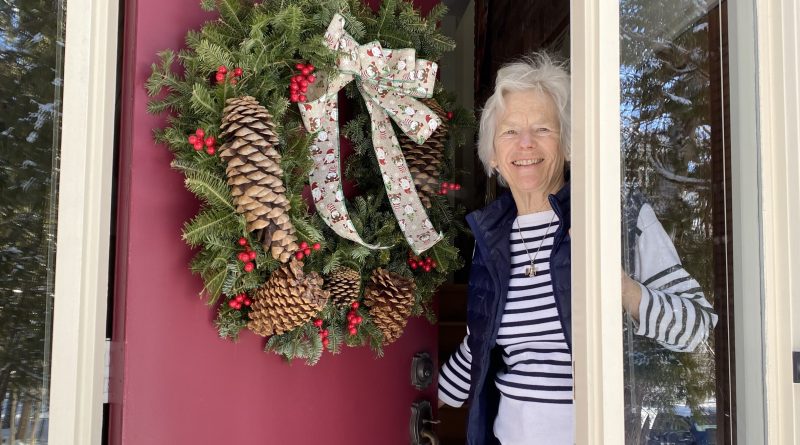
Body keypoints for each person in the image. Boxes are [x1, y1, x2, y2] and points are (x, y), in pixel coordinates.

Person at [437, 53, 718, 445]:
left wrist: (619, 286)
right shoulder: (490, 239)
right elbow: (478, 354)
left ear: (568, 145)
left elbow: (697, 328)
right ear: (493, 157)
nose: (526, 144)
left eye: (543, 129)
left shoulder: (616, 218)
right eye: (509, 132)